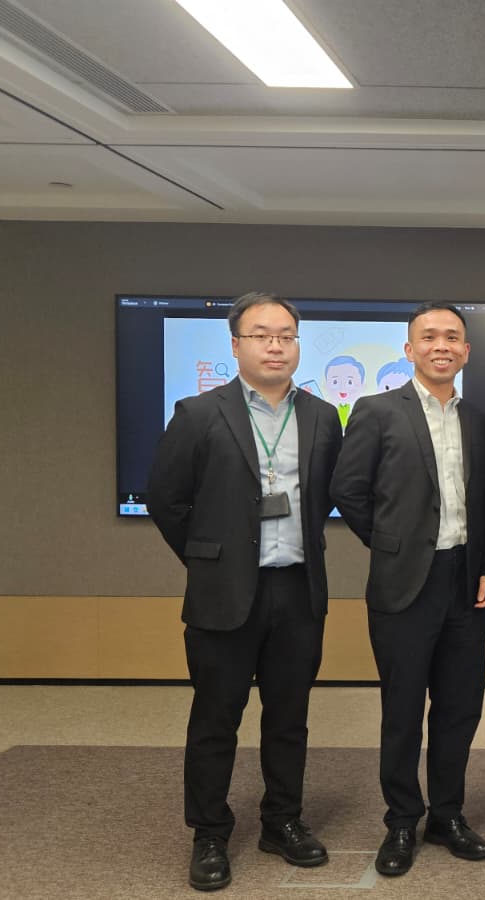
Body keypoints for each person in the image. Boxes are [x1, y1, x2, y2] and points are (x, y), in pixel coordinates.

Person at [147, 291, 343, 892]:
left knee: (289, 718)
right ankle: (209, 833)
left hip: (298, 589)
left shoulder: (322, 416)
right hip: (224, 594)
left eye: (286, 335)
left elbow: (326, 497)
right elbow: (166, 500)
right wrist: (208, 558)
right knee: (215, 720)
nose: (275, 345)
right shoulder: (198, 413)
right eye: (261, 335)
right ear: (236, 345)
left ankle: (282, 822)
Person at [330, 301, 485, 878]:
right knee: (403, 709)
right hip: (404, 583)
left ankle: (447, 815)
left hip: (466, 581)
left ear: (466, 351)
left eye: (452, 337)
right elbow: (348, 490)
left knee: (460, 707)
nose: (441, 346)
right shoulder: (377, 410)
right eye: (429, 337)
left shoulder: (477, 419)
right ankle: (402, 820)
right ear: (409, 350)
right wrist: (391, 545)